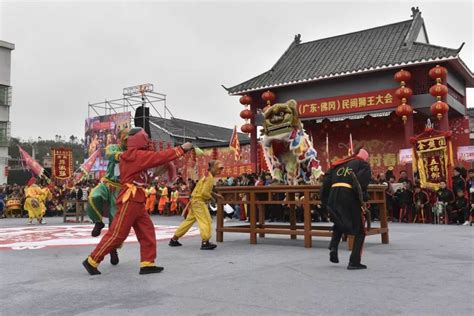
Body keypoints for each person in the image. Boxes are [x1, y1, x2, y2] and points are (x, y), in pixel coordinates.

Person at [82, 127, 193, 275]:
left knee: (147, 231)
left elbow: (151, 169)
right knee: (117, 234)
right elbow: (159, 157)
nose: (148, 141)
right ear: (140, 139)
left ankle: (147, 263)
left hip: (137, 199)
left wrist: (164, 167)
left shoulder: (136, 156)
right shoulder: (134, 155)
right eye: (146, 138)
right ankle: (92, 260)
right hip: (130, 199)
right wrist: (181, 149)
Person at [321, 148, 371, 270]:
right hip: (348, 195)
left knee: (339, 221)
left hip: (333, 195)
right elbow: (359, 184)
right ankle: (354, 261)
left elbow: (325, 183)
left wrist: (325, 201)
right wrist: (364, 199)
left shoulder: (338, 164)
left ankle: (333, 246)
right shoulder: (363, 164)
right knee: (360, 231)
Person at [85, 128, 128, 265]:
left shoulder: (134, 151)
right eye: (125, 138)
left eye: (130, 138)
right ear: (120, 138)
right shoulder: (113, 147)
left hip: (120, 189)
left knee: (115, 220)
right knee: (93, 196)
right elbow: (110, 154)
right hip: (107, 183)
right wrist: (125, 156)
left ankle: (112, 250)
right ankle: (98, 222)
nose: (127, 140)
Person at [169, 160, 224, 250]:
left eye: (221, 169)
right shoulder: (209, 178)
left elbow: (204, 190)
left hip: (194, 201)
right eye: (219, 169)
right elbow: (204, 193)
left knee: (188, 221)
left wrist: (215, 195)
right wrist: (213, 199)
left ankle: (174, 239)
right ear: (213, 168)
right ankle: (205, 242)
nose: (220, 171)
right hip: (199, 202)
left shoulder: (206, 175)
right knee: (206, 220)